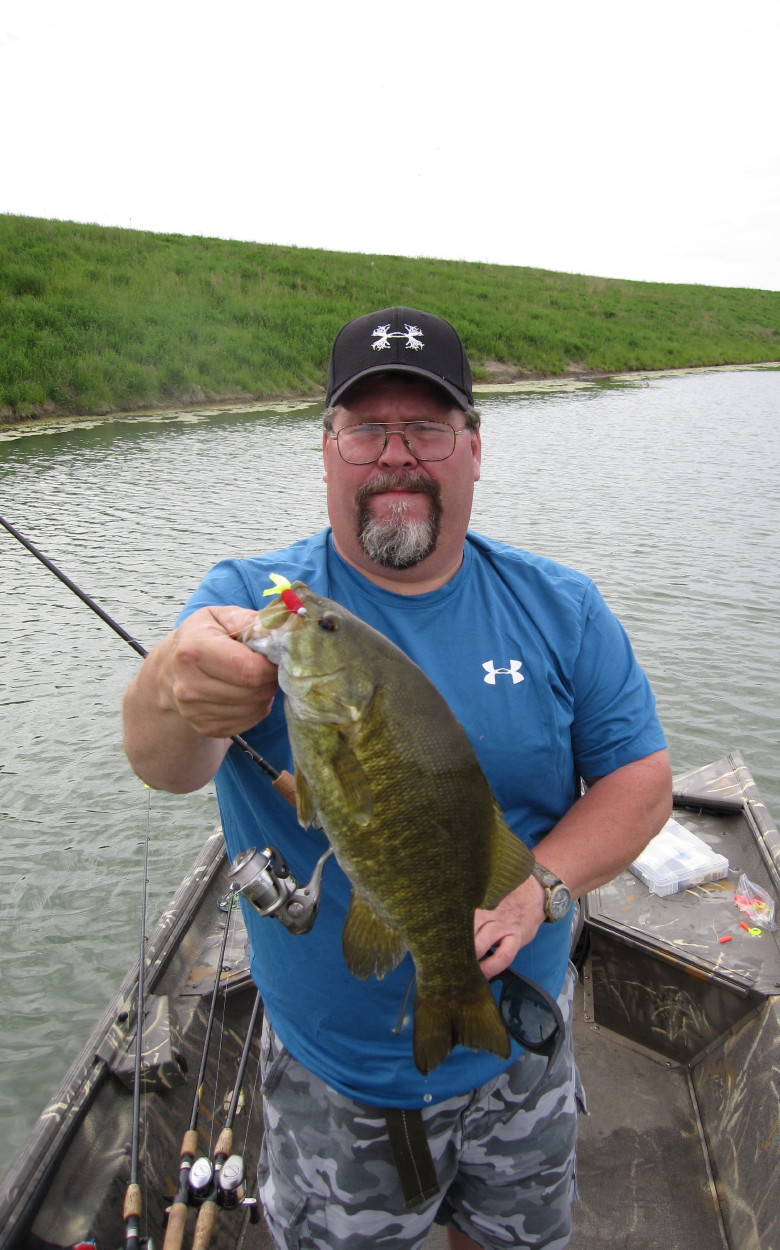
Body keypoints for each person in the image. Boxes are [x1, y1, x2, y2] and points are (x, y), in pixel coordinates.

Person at [122, 306, 672, 1250]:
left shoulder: (559, 606)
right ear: (327, 450)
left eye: (425, 428)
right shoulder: (261, 601)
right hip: (333, 1075)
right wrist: (175, 684)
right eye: (365, 429)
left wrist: (538, 889)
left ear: (473, 449)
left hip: (522, 1043)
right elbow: (162, 766)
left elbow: (641, 783)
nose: (395, 455)